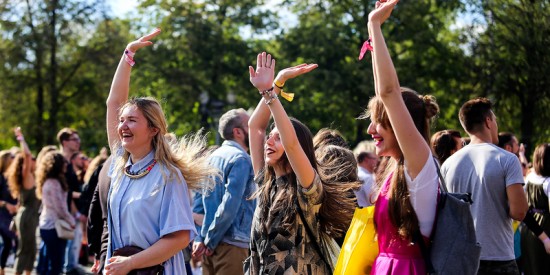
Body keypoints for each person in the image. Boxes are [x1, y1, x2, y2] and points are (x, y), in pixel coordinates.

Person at [104, 28, 217, 275]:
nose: (123, 125)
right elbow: (113, 103)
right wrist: (128, 55)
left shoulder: (168, 176)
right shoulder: (121, 166)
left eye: (132, 120)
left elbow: (178, 238)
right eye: (122, 120)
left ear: (154, 129)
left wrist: (131, 263)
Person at [244, 52, 356, 274]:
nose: (269, 140)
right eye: (270, 136)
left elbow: (292, 144)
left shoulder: (307, 188)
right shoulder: (265, 183)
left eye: (278, 137)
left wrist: (269, 94)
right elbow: (255, 127)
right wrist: (276, 84)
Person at [359, 1, 440, 274]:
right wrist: (373, 38)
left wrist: (374, 25)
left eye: (380, 123)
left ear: (403, 124)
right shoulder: (394, 168)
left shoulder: (421, 166)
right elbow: (382, 94)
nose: (371, 131)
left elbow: (389, 93)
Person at [441, 97, 528, 274]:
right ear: (488, 121)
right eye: (494, 119)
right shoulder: (508, 159)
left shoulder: (448, 164)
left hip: (462, 256)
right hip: (498, 256)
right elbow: (519, 212)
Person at [192, 108, 256, 275]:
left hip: (209, 245)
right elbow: (230, 204)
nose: (255, 130)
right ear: (238, 132)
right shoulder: (241, 159)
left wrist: (203, 238)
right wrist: (210, 240)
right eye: (249, 125)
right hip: (231, 244)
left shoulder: (212, 157)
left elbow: (200, 204)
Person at [36, 151, 77, 275]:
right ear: (57, 164)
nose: (66, 164)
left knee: (48, 261)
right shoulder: (54, 183)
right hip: (53, 226)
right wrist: (71, 221)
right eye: (63, 162)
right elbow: (60, 207)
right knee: (55, 264)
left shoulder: (47, 181)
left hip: (47, 225)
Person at [6, 128, 40, 275]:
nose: (34, 160)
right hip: (27, 216)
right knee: (25, 249)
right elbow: (26, 154)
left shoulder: (31, 176)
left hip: (28, 215)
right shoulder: (27, 176)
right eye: (33, 159)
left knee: (30, 249)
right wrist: (21, 138)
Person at [57, 128, 87, 275]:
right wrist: (75, 213)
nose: (78, 142)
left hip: (69, 210)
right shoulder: (58, 162)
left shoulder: (68, 164)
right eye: (74, 139)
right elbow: (63, 192)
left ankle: (70, 266)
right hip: (60, 213)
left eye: (78, 139)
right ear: (64, 142)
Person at [520, 143, 550, 275]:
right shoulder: (548, 182)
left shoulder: (530, 177)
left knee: (531, 266)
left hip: (529, 227)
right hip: (545, 228)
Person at [0, 149, 17, 275]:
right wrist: (6, 204)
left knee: (8, 242)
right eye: (12, 157)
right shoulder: (0, 177)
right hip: (2, 214)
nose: (14, 158)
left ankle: (2, 268)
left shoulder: (12, 177)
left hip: (11, 214)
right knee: (10, 240)